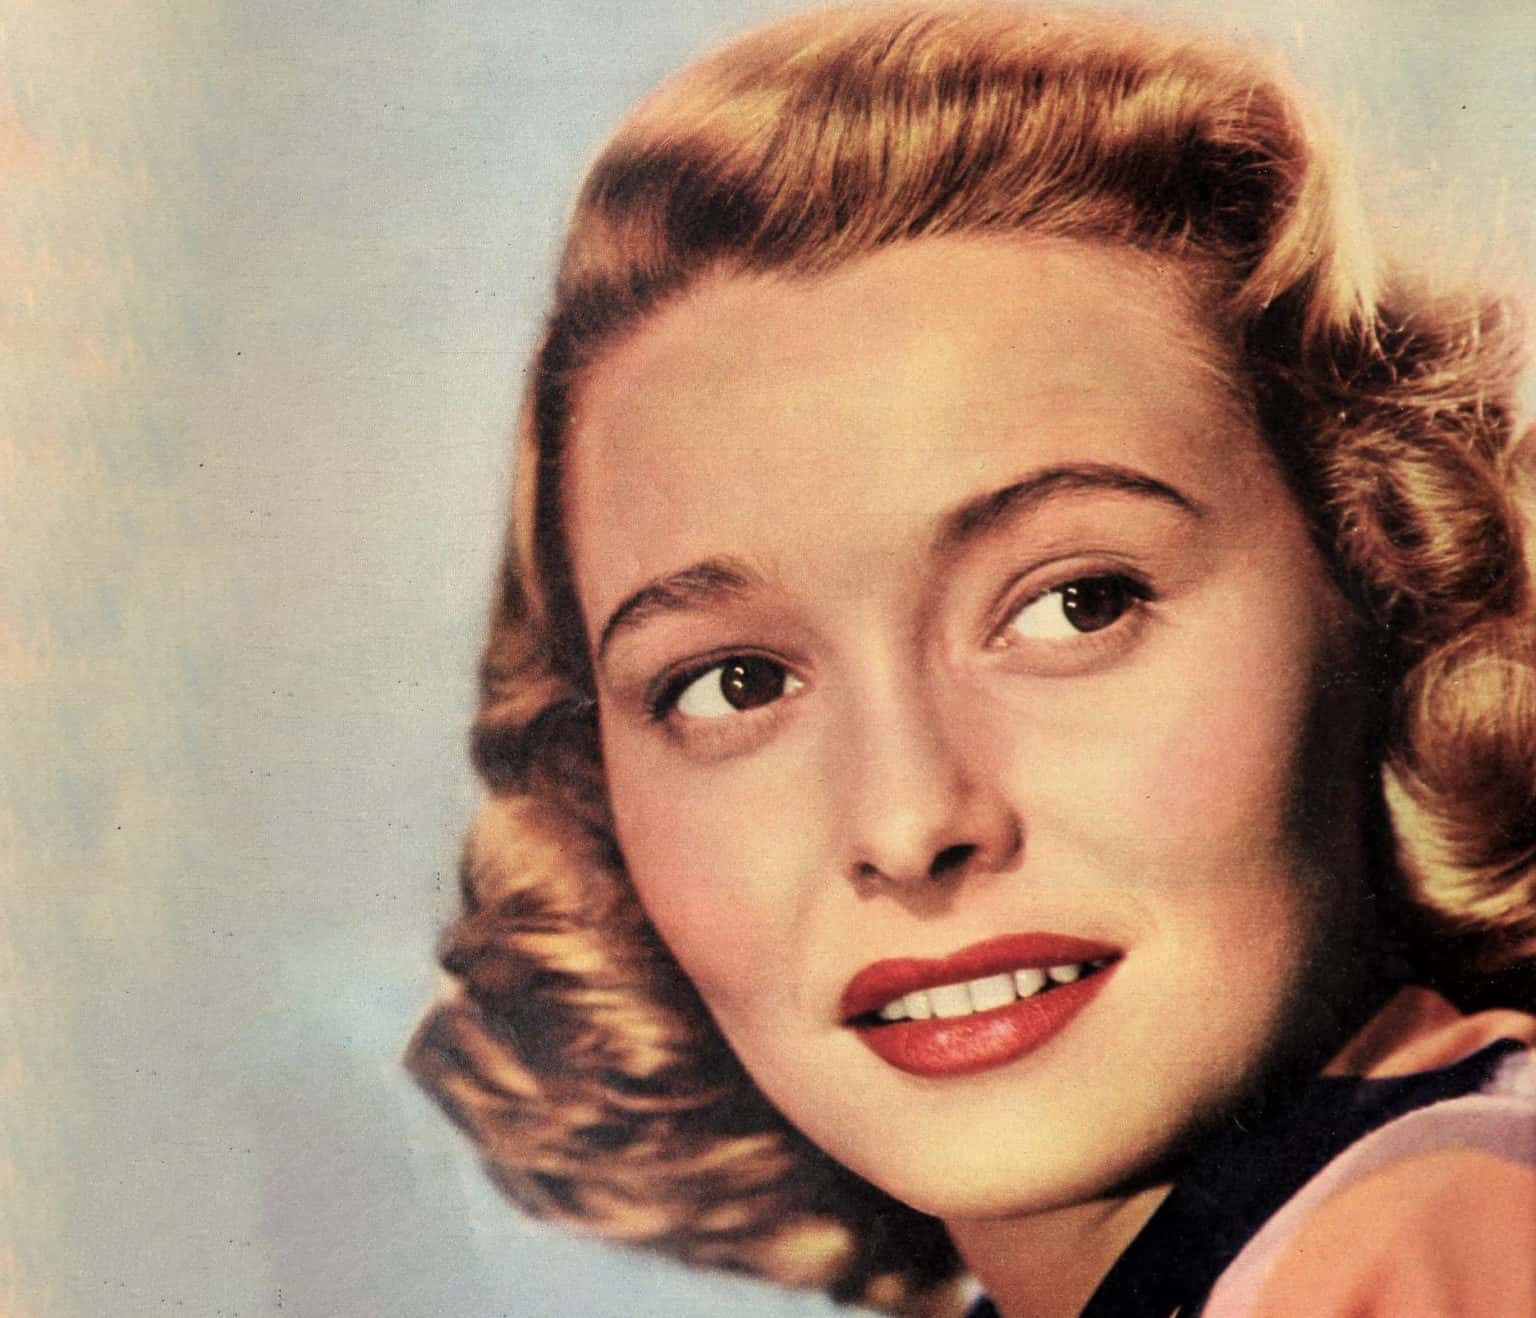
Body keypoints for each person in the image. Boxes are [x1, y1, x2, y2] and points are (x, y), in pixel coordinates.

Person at [406, 5, 1536, 1314]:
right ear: (597, 789)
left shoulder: (1434, 1243)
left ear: (1386, 589)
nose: (908, 822)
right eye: (734, 683)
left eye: (1076, 605)